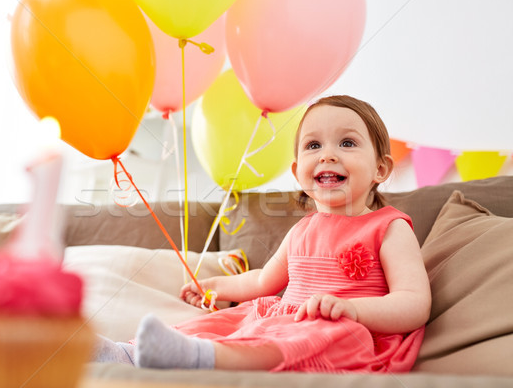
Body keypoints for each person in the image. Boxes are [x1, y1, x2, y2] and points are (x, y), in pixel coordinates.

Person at [94, 95, 431, 373]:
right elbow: (260, 282)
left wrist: (353, 310)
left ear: (381, 169)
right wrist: (217, 286)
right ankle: (126, 355)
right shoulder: (302, 230)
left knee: (336, 335)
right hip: (287, 320)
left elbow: (414, 304)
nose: (328, 154)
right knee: (230, 320)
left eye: (347, 142)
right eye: (313, 145)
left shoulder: (389, 227)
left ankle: (203, 359)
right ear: (299, 172)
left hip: (347, 329)